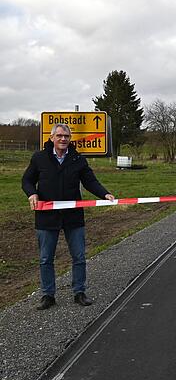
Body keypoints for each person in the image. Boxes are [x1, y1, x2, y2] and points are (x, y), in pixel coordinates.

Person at [21, 123, 115, 310]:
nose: (63, 139)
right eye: (60, 136)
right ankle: (48, 295)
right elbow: (27, 180)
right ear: (52, 137)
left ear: (70, 139)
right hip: (47, 217)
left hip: (73, 217)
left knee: (79, 257)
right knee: (46, 258)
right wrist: (32, 193)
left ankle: (79, 292)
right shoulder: (39, 158)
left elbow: (90, 181)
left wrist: (105, 194)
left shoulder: (78, 159)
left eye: (67, 136)